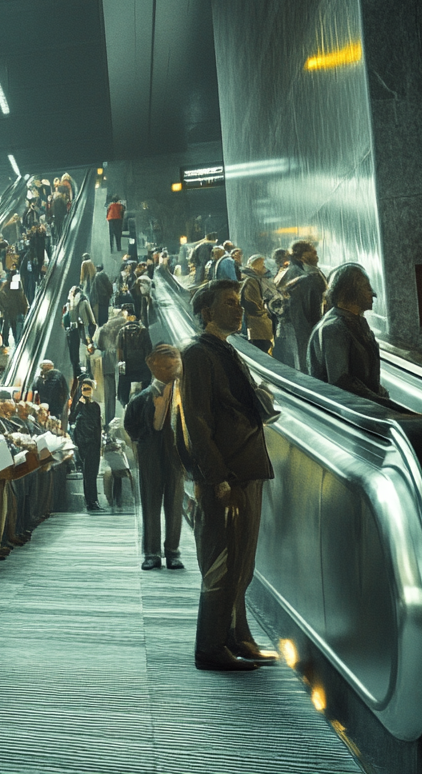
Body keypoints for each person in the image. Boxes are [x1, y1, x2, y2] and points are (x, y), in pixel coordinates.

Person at [175, 280, 277, 672]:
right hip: (227, 475)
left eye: (239, 303)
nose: (239, 309)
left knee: (242, 564)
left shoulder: (226, 350)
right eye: (230, 304)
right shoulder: (199, 354)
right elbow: (196, 422)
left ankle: (238, 637)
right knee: (222, 562)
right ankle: (210, 647)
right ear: (207, 313)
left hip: (245, 468)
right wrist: (217, 478)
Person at [123, 345, 185, 571]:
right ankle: (151, 552)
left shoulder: (183, 398)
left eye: (176, 365)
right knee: (150, 505)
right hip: (150, 458)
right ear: (154, 367)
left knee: (175, 505)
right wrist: (144, 437)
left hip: (175, 457)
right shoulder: (141, 399)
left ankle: (173, 552)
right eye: (169, 366)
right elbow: (130, 425)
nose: (174, 370)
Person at [307, 263, 391, 405]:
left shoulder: (356, 322)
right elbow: (343, 384)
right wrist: (388, 406)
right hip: (349, 412)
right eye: (366, 287)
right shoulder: (334, 329)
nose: (373, 293)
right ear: (349, 292)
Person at [278, 240, 327, 372]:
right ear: (302, 256)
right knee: (304, 363)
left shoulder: (311, 272)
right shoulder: (297, 275)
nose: (316, 253)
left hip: (310, 328)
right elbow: (300, 313)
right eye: (312, 251)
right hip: (304, 330)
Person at [69, 380, 104, 512]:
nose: (87, 391)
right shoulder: (78, 405)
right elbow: (71, 418)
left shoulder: (95, 406)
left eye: (89, 389)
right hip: (84, 443)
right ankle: (91, 501)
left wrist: (99, 445)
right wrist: (79, 404)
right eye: (84, 389)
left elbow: (97, 426)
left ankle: (93, 500)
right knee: (88, 473)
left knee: (92, 473)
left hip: (94, 443)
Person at [115, 308, 153, 409]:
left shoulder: (122, 332)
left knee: (123, 382)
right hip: (142, 367)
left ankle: (125, 404)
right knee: (147, 383)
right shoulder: (143, 330)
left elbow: (120, 351)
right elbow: (149, 350)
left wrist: (121, 367)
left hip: (128, 367)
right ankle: (145, 402)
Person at [239, 255, 275, 353]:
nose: (264, 266)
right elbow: (252, 305)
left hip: (259, 326)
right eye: (261, 264)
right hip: (257, 327)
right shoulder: (251, 281)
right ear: (255, 266)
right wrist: (266, 312)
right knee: (262, 349)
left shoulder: (255, 279)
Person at [63, 286, 96, 377]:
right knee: (86, 352)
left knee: (76, 354)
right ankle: (87, 371)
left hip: (75, 331)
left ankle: (78, 372)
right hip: (82, 331)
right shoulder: (82, 302)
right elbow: (91, 320)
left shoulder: (70, 304)